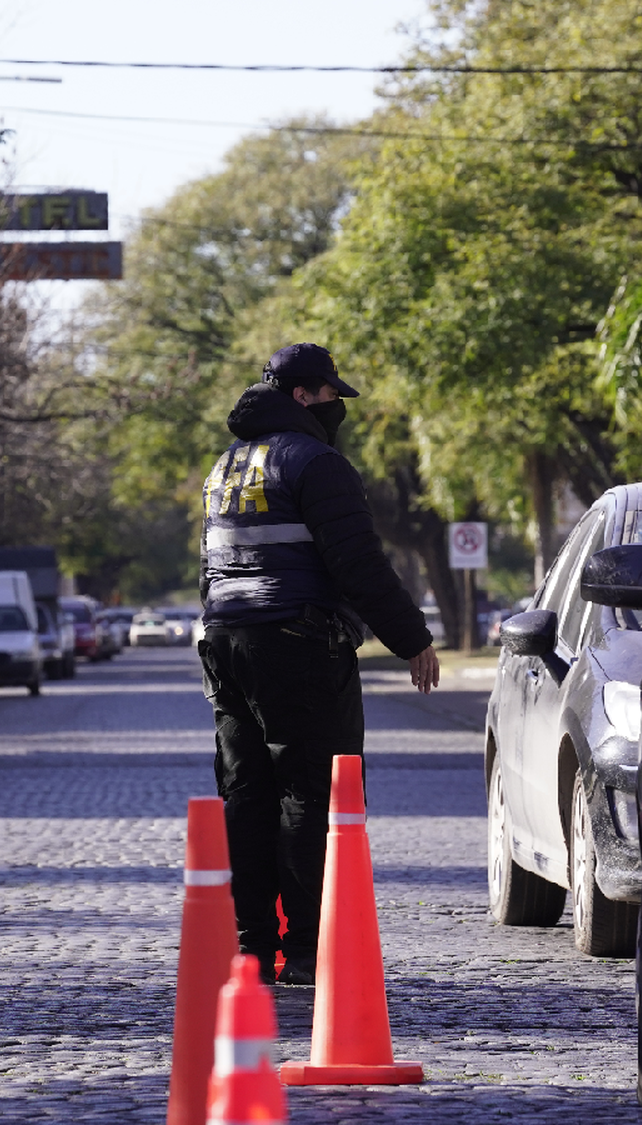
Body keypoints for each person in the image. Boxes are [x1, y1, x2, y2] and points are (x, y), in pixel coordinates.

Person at [198, 342, 440, 986]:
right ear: (304, 396)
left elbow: (212, 566)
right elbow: (357, 565)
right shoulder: (317, 462)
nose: (338, 407)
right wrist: (411, 637)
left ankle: (250, 948)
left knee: (245, 794)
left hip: (224, 642)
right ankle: (307, 951)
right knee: (312, 791)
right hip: (297, 643)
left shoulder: (226, 467)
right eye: (333, 395)